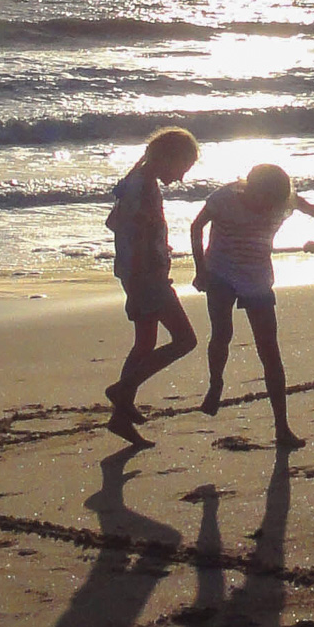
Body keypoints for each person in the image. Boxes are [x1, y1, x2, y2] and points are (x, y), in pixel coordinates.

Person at [189, 163, 314, 450]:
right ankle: (216, 383)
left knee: (269, 350)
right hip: (219, 271)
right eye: (262, 201)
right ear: (248, 188)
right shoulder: (225, 198)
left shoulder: (286, 202)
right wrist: (200, 269)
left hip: (256, 276)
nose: (266, 208)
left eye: (272, 204)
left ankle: (282, 427)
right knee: (222, 334)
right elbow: (197, 226)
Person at [103, 127, 200, 445]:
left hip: (135, 273)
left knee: (145, 343)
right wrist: (152, 267)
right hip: (146, 276)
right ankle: (122, 391)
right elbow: (133, 230)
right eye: (182, 168)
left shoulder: (137, 182)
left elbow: (114, 223)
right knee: (185, 340)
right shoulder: (143, 187)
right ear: (169, 158)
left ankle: (122, 411)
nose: (182, 177)